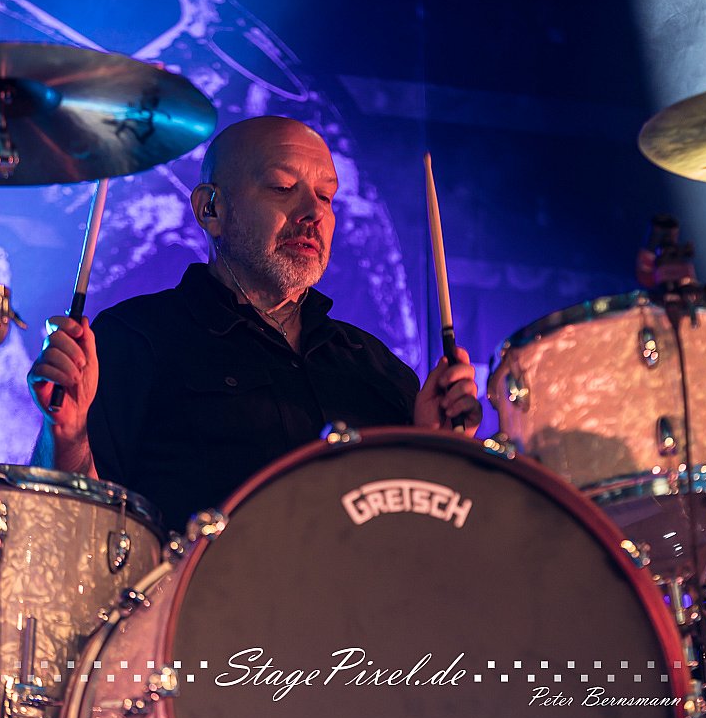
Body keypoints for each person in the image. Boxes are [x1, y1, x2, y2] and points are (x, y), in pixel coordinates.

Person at [28, 116, 481, 534]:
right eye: (283, 188)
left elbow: (415, 542)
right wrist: (66, 434)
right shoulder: (136, 337)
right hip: (193, 595)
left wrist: (435, 452)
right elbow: (69, 530)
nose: (314, 212)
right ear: (211, 209)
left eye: (326, 196)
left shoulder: (375, 366)